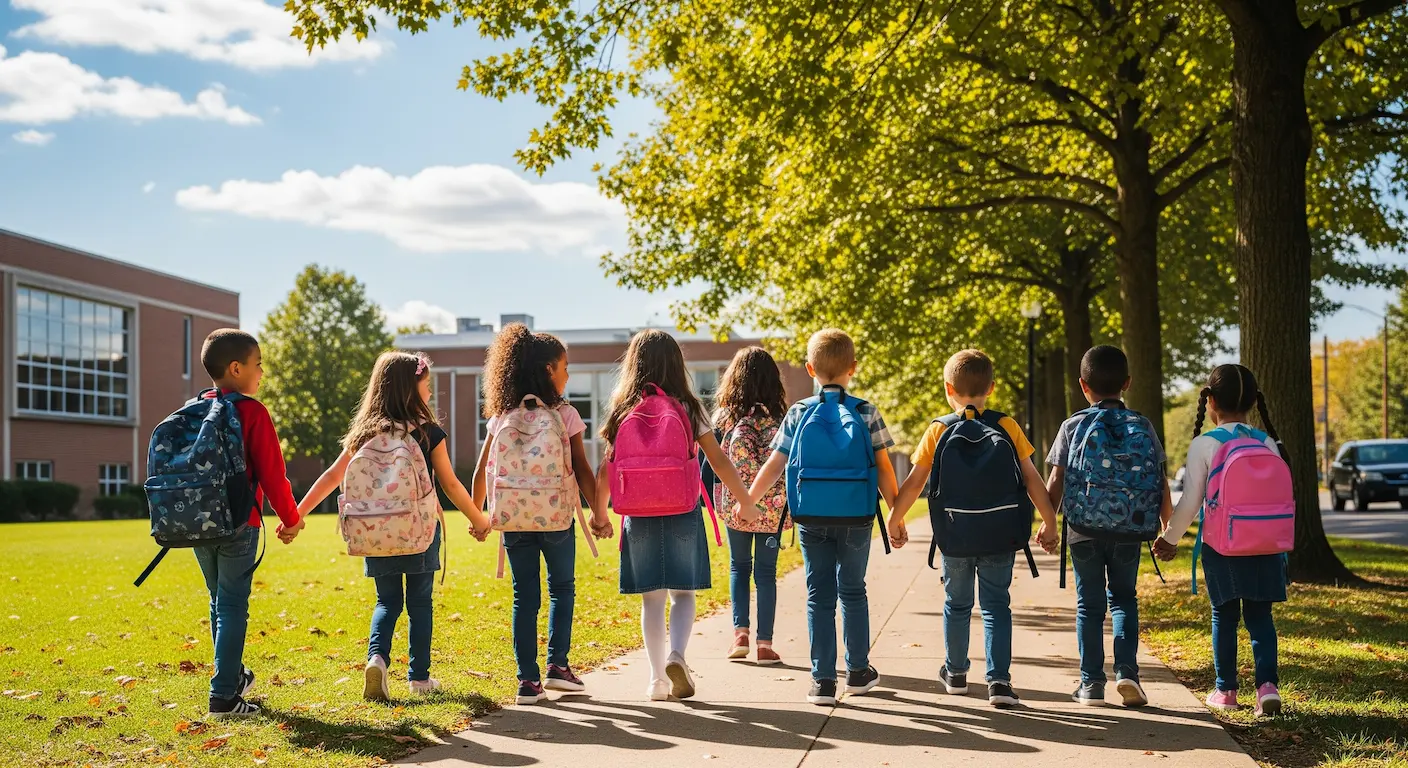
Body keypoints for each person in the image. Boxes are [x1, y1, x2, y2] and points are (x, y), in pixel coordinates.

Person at [294, 351, 491, 701]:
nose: (430, 394)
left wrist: (297, 515)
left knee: (386, 602)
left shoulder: (363, 435)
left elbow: (331, 477)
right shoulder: (427, 432)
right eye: (426, 386)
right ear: (410, 390)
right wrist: (480, 520)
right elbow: (450, 484)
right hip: (419, 530)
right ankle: (419, 678)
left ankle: (377, 659)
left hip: (374, 531)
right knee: (419, 603)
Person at [595, 329, 757, 702]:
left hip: (638, 513)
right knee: (682, 594)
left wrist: (601, 514)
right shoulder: (689, 407)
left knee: (651, 599)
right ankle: (678, 656)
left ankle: (655, 680)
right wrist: (744, 497)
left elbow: (608, 466)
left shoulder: (622, 409)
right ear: (677, 364)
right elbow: (717, 458)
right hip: (682, 508)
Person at [891, 349, 1059, 708]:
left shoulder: (938, 429)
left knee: (957, 603)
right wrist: (1049, 520)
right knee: (997, 606)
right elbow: (1031, 478)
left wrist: (895, 518)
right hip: (1000, 532)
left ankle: (955, 673)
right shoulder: (1007, 425)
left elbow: (916, 481)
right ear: (992, 388)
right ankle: (999, 682)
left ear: (948, 389)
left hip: (955, 534)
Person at [746, 329, 899, 706]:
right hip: (857, 515)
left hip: (810, 514)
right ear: (853, 368)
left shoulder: (799, 412)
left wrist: (749, 498)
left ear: (810, 368)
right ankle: (859, 671)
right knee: (853, 590)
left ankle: (823, 681)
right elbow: (883, 468)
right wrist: (895, 514)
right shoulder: (866, 411)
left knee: (819, 596)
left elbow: (776, 462)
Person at [472, 324, 606, 705]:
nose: (568, 375)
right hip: (557, 515)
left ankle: (527, 682)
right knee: (562, 589)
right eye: (565, 367)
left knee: (523, 597)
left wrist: (479, 516)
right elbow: (582, 467)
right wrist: (598, 513)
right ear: (549, 369)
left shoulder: (502, 416)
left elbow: (483, 469)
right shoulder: (564, 414)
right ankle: (558, 667)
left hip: (514, 518)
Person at [1045, 346, 1173, 707]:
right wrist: (1167, 527)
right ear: (1127, 384)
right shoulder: (1143, 424)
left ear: (1083, 386)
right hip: (1129, 527)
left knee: (1089, 604)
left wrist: (1048, 523)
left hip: (1083, 527)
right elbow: (1159, 480)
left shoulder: (1072, 425)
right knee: (1123, 599)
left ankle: (1091, 684)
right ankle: (1128, 673)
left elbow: (1056, 478)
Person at [1158, 364, 1287, 717]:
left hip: (1223, 546)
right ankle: (1267, 687)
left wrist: (1169, 538)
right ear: (1252, 401)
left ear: (1210, 401)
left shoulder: (1205, 443)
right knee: (1261, 618)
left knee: (1224, 617)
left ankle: (1226, 690)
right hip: (1267, 544)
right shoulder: (1265, 441)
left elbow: (1190, 501)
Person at [193, 329, 303, 719]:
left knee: (219, 601)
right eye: (257, 364)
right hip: (239, 523)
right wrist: (291, 519)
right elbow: (274, 475)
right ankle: (223, 696)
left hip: (196, 524)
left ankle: (233, 676)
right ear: (236, 368)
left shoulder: (193, 409)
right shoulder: (252, 412)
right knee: (234, 604)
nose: (261, 372)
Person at [711, 346, 791, 665]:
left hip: (737, 505)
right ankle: (765, 644)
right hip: (772, 506)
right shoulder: (783, 419)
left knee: (739, 567)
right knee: (767, 573)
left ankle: (739, 635)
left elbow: (713, 462)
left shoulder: (726, 419)